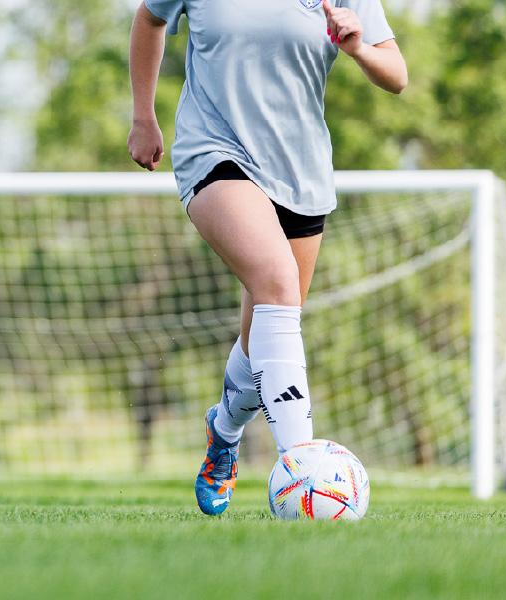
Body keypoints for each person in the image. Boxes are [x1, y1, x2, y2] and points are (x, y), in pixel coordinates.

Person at [127, 0, 408, 516]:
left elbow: (397, 75)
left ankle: (223, 430)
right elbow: (150, 19)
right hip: (214, 152)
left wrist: (360, 47)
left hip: (301, 174)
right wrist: (144, 117)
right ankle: (303, 471)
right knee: (277, 284)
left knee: (266, 334)